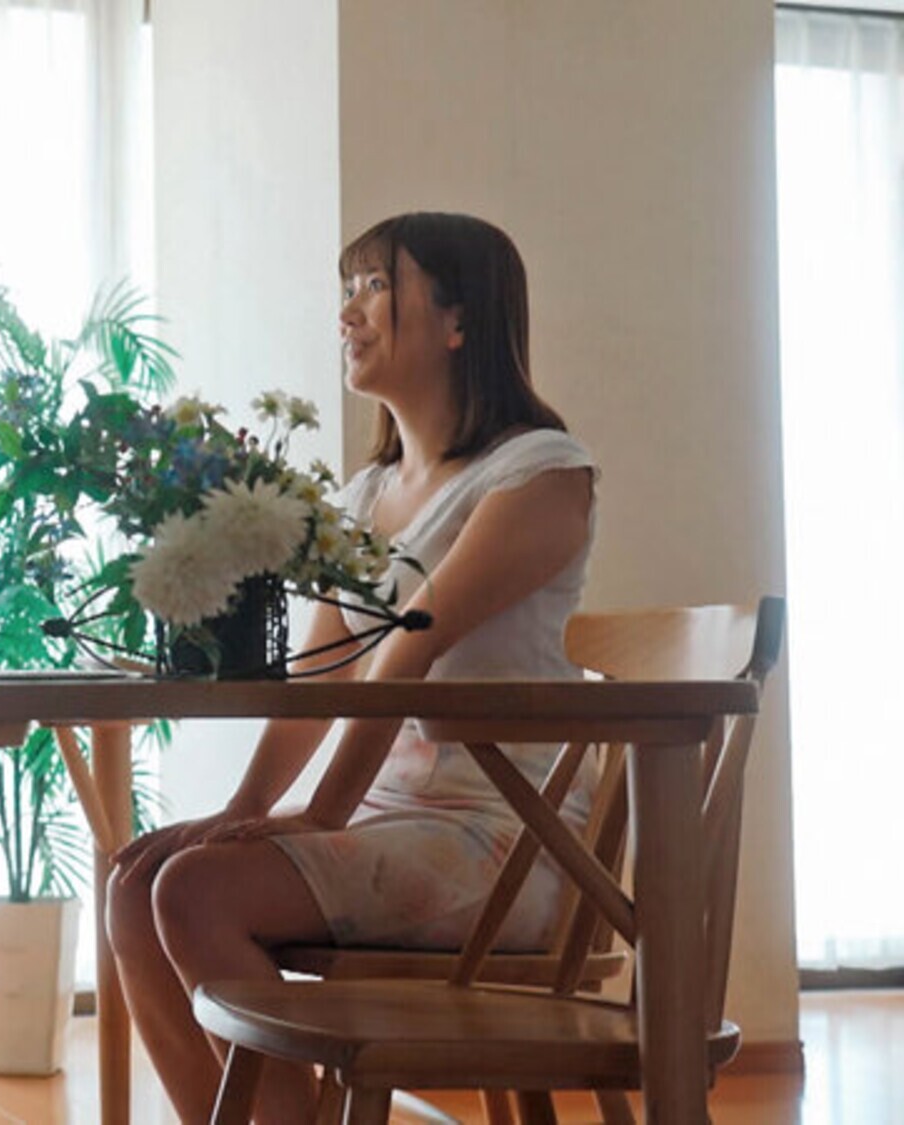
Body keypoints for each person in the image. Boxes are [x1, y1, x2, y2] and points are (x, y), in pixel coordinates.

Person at [107, 212, 599, 1124]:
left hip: (503, 837)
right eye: (349, 289)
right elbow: (317, 682)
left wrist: (319, 812)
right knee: (136, 883)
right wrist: (243, 809)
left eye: (376, 286)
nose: (349, 312)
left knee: (192, 890)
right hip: (387, 826)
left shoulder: (539, 474)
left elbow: (409, 650)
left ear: (458, 319)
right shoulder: (365, 495)